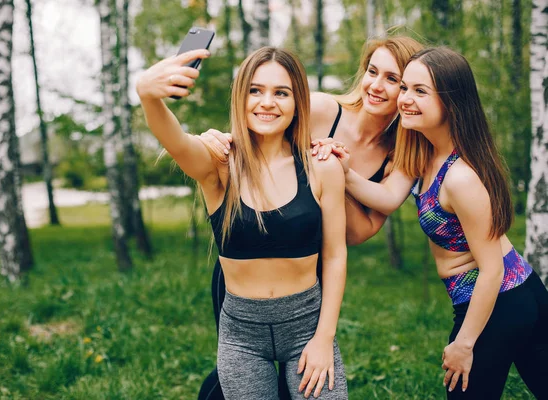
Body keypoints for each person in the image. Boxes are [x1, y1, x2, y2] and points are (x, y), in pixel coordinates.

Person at [198, 35, 424, 400]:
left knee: (306, 377)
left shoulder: (402, 150)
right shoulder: (321, 109)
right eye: (372, 71)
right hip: (248, 256)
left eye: (393, 79)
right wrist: (216, 142)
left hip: (309, 270)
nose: (377, 86)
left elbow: (361, 230)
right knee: (241, 370)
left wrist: (338, 175)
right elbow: (259, 133)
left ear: (409, 90)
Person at [334, 47, 548, 399]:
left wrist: (464, 343)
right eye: (405, 88)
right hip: (512, 293)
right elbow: (388, 197)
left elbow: (491, 269)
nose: (404, 99)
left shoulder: (461, 177)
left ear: (451, 102)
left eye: (420, 91)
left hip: (498, 300)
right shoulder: (423, 149)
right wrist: (344, 173)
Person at [136, 46, 349, 399]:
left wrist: (324, 337)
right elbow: (173, 140)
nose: (267, 102)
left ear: (298, 103)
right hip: (241, 336)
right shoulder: (219, 163)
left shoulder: (321, 166)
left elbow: (335, 256)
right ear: (240, 97)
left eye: (281, 93)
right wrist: (148, 95)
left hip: (307, 326)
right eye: (255, 90)